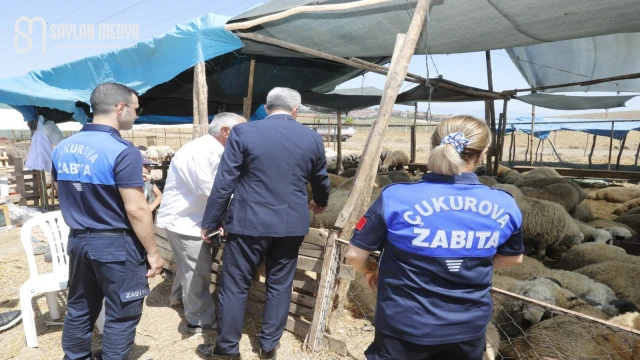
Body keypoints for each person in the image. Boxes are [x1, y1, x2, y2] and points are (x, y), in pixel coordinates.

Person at [345, 115, 524, 360]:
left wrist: (370, 270)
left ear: (434, 147)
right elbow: (514, 259)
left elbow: (355, 254)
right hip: (466, 329)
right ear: (481, 155)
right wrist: (466, 262)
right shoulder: (505, 203)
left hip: (404, 326)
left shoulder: (396, 197)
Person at [197, 87, 330, 360]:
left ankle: (227, 349)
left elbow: (225, 182)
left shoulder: (244, 133)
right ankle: (269, 347)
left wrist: (211, 221)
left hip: (248, 223)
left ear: (267, 108)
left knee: (234, 285)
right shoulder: (311, 137)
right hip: (290, 224)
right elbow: (320, 179)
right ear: (295, 111)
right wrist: (320, 200)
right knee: (280, 285)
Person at [52, 82, 164, 360]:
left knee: (79, 306)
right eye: (136, 109)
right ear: (120, 108)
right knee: (122, 313)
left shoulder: (63, 147)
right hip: (115, 243)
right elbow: (137, 209)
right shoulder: (122, 150)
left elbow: (59, 190)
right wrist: (153, 251)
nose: (137, 115)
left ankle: (75, 356)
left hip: (79, 240)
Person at [155, 112, 245, 334]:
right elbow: (209, 190)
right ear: (226, 131)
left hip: (194, 217)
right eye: (241, 131)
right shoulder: (199, 152)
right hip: (186, 220)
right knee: (198, 270)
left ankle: (178, 299)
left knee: (189, 265)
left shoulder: (215, 150)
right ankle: (199, 320)